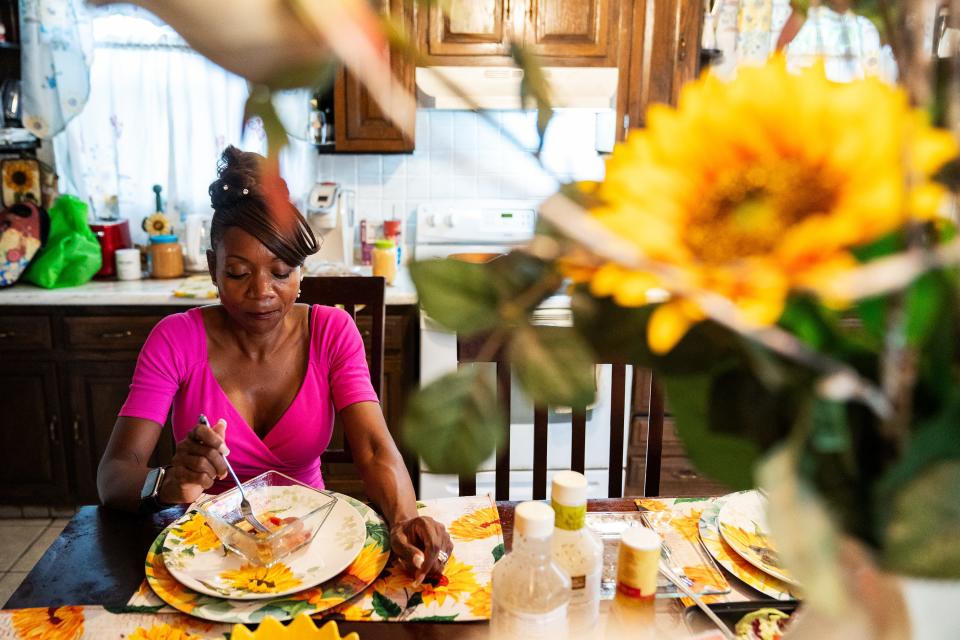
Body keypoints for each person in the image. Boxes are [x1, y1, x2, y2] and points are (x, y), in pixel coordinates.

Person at [98, 146, 452, 582]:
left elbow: (376, 449)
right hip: (205, 555)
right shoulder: (175, 339)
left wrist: (401, 520)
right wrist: (164, 483)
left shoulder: (331, 332)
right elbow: (114, 474)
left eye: (281, 272)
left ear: (301, 272)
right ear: (213, 267)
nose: (261, 292)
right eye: (239, 273)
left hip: (311, 544)